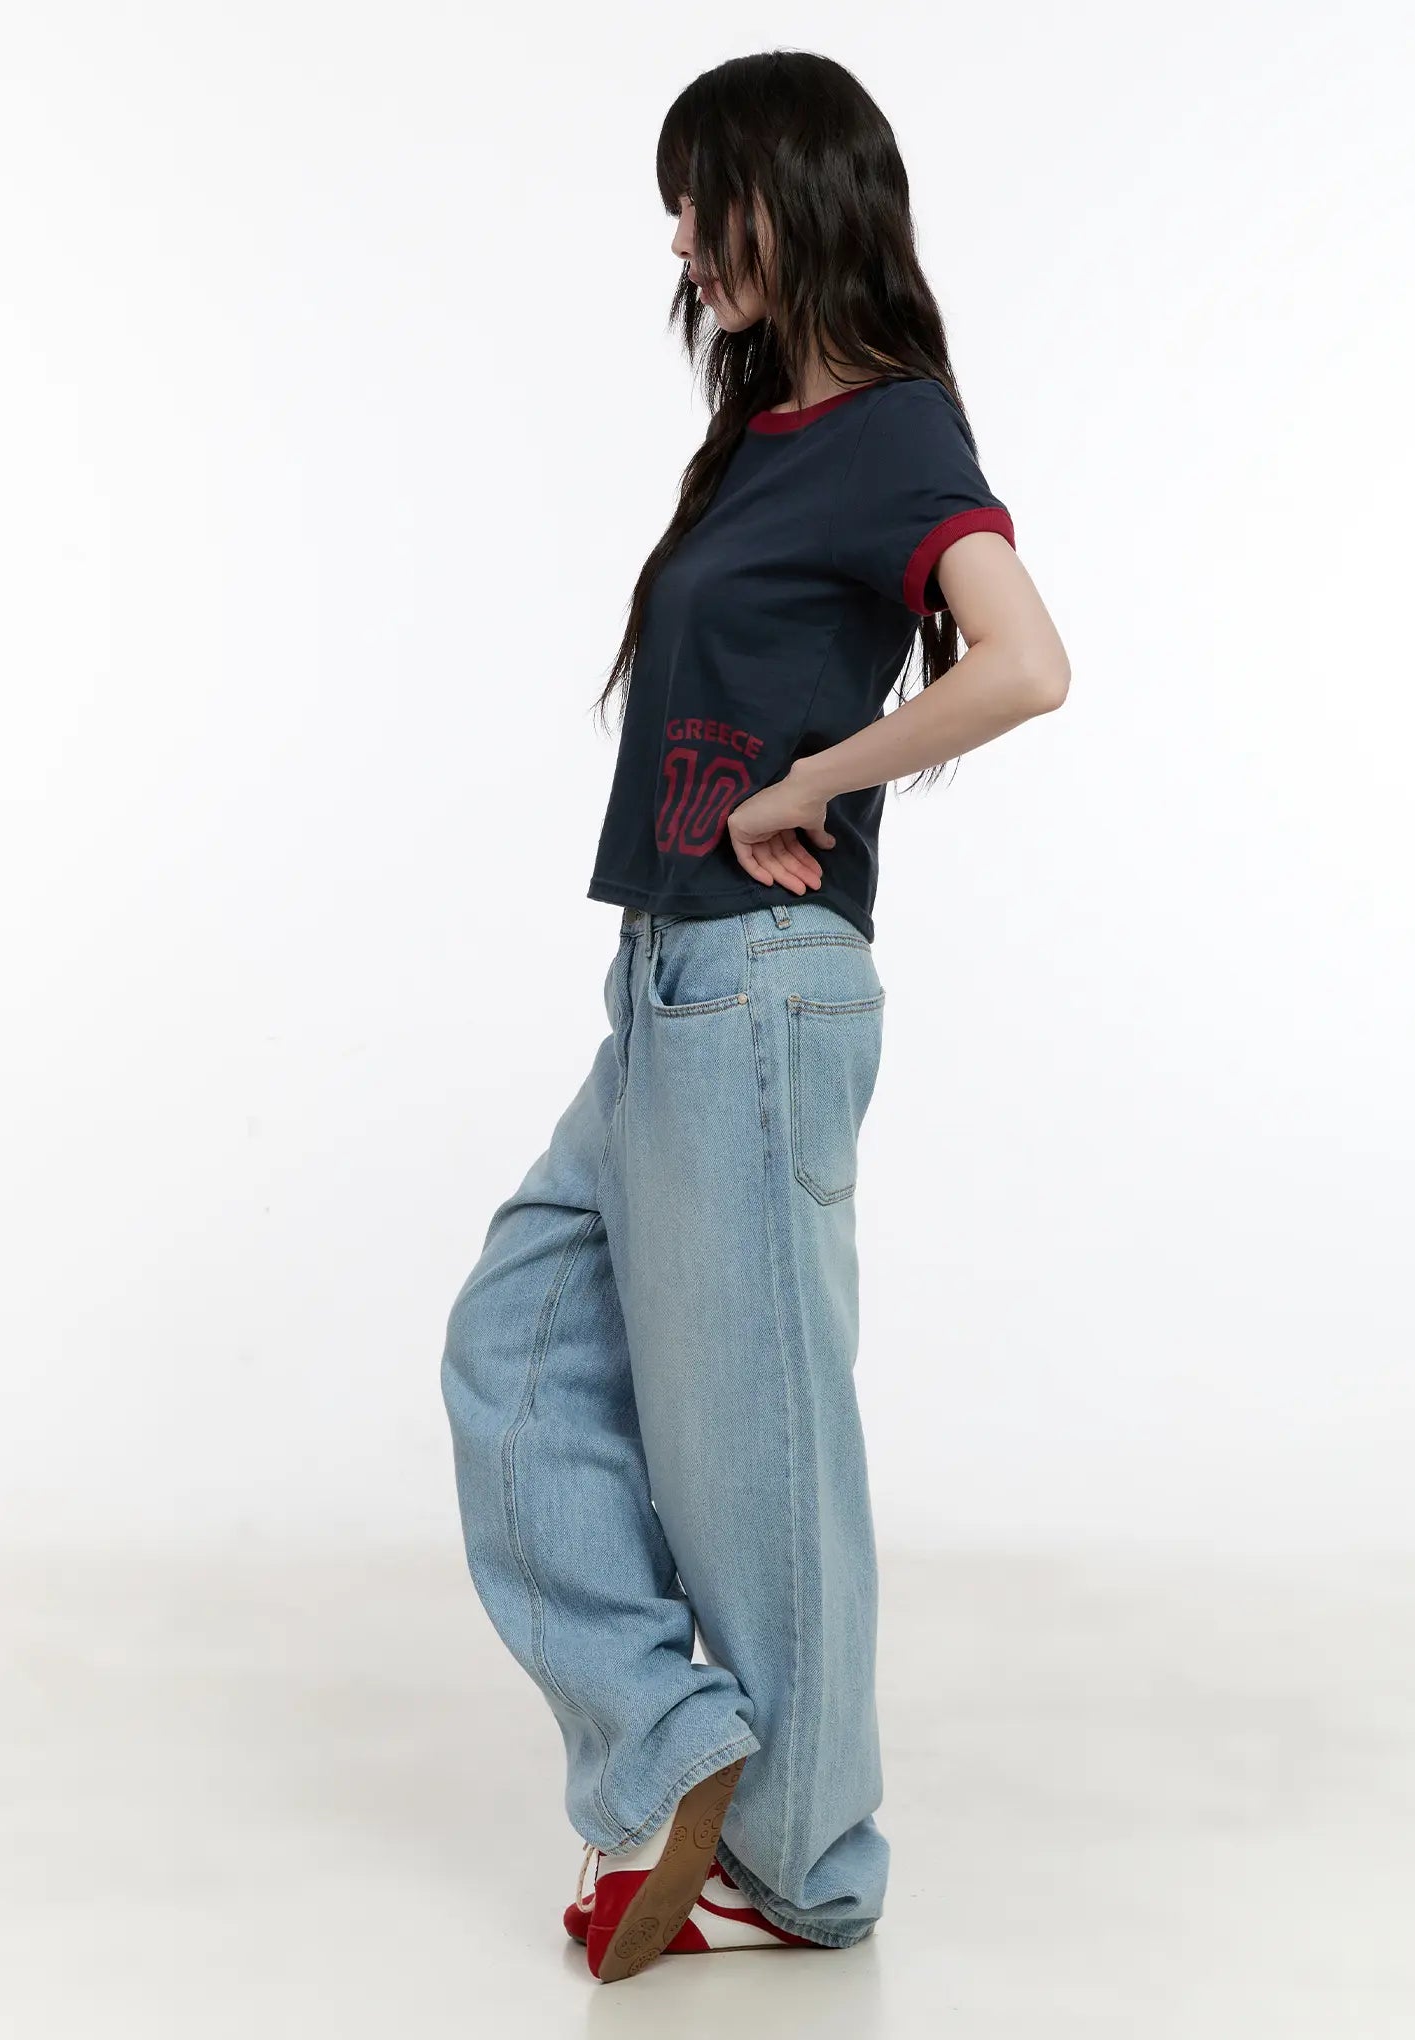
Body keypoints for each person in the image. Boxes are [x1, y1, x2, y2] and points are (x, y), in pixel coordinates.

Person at [440, 50, 1070, 1986]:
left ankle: (808, 1864)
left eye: (705, 197)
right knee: (512, 1347)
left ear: (797, 194)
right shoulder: (765, 438)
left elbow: (1026, 661)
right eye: (676, 207)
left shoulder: (894, 431)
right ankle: (680, 1742)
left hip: (759, 992)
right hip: (666, 984)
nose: (684, 241)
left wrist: (814, 783)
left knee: (757, 1456)